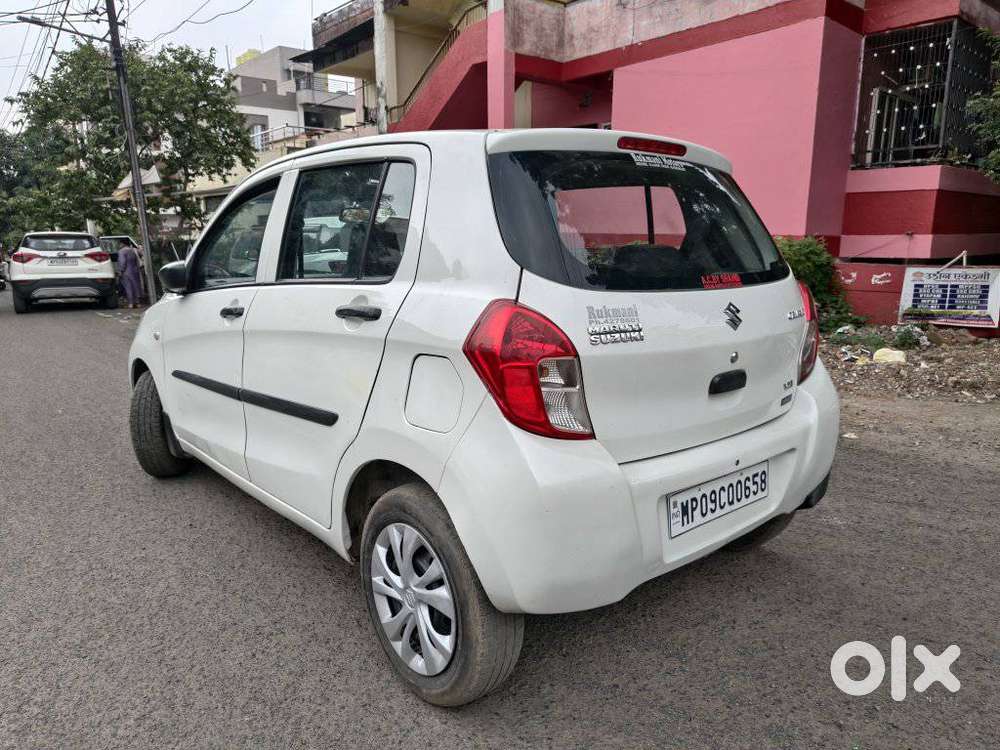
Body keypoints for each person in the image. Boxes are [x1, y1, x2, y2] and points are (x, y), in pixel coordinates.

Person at [118, 241, 143, 308]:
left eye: (119, 243)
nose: (119, 245)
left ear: (122, 244)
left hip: (126, 272)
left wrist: (120, 271)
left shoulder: (122, 251)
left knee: (128, 287)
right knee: (136, 286)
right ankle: (138, 303)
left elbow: (122, 262)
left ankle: (131, 303)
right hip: (135, 271)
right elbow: (137, 260)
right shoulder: (133, 251)